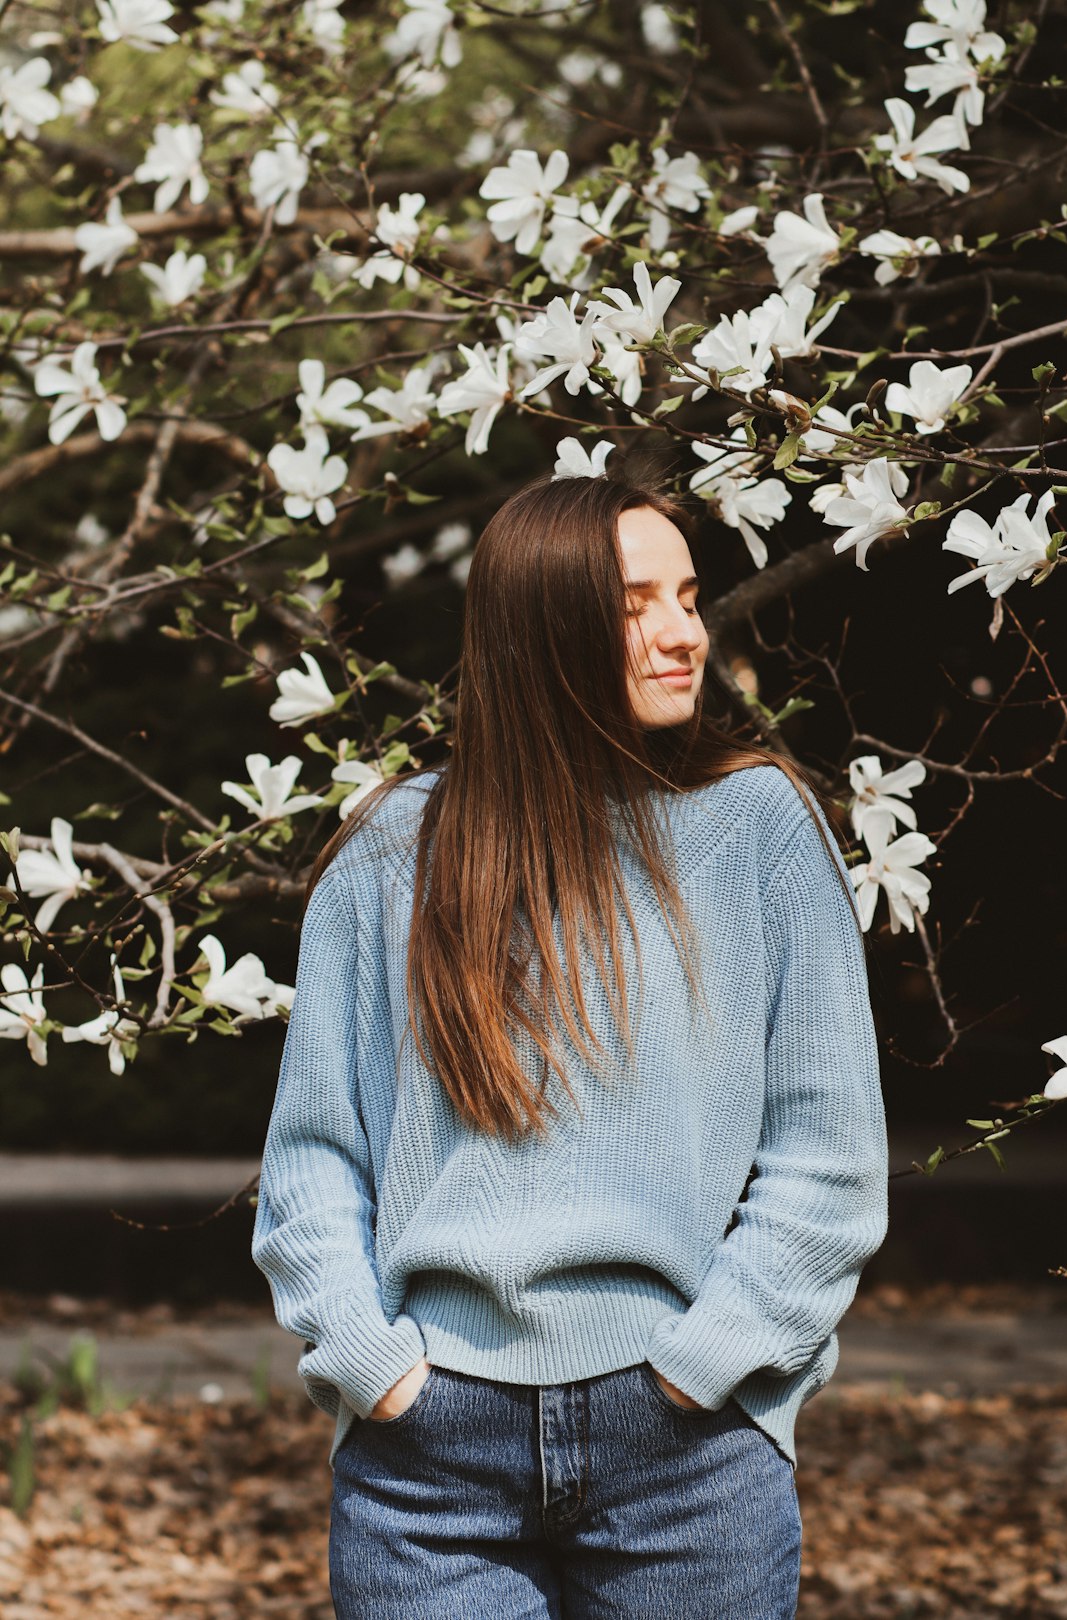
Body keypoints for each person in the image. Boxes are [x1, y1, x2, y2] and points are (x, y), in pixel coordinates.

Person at [251, 470, 889, 1619]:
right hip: (428, 1465)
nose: (683, 632)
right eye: (639, 601)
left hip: (690, 1455)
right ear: (545, 625)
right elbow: (313, 1160)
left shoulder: (760, 829)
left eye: (689, 597)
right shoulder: (391, 851)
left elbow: (828, 1157)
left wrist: (706, 1369)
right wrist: (373, 1367)